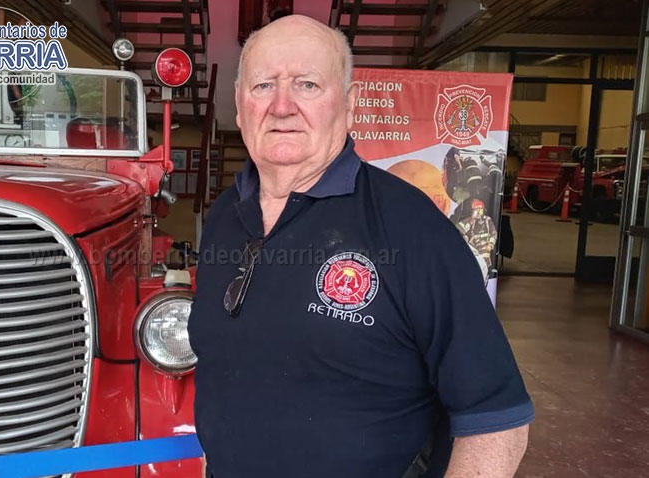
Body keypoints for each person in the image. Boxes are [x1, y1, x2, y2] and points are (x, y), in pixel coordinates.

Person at [186, 14, 533, 478]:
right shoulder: (226, 214)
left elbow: (497, 420)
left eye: (308, 85)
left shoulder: (412, 227)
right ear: (238, 102)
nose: (282, 106)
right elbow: (224, 368)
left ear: (348, 102)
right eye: (263, 85)